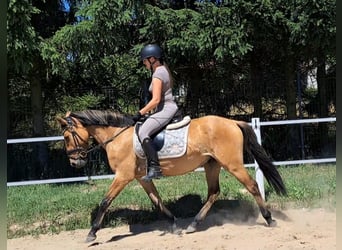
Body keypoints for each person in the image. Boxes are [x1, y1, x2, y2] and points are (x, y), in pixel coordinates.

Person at [132, 44, 179, 181]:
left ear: (152, 59)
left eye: (145, 60)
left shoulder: (158, 73)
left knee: (143, 132)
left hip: (166, 108)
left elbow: (156, 99)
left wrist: (139, 113)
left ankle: (155, 168)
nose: (144, 63)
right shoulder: (163, 70)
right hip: (163, 108)